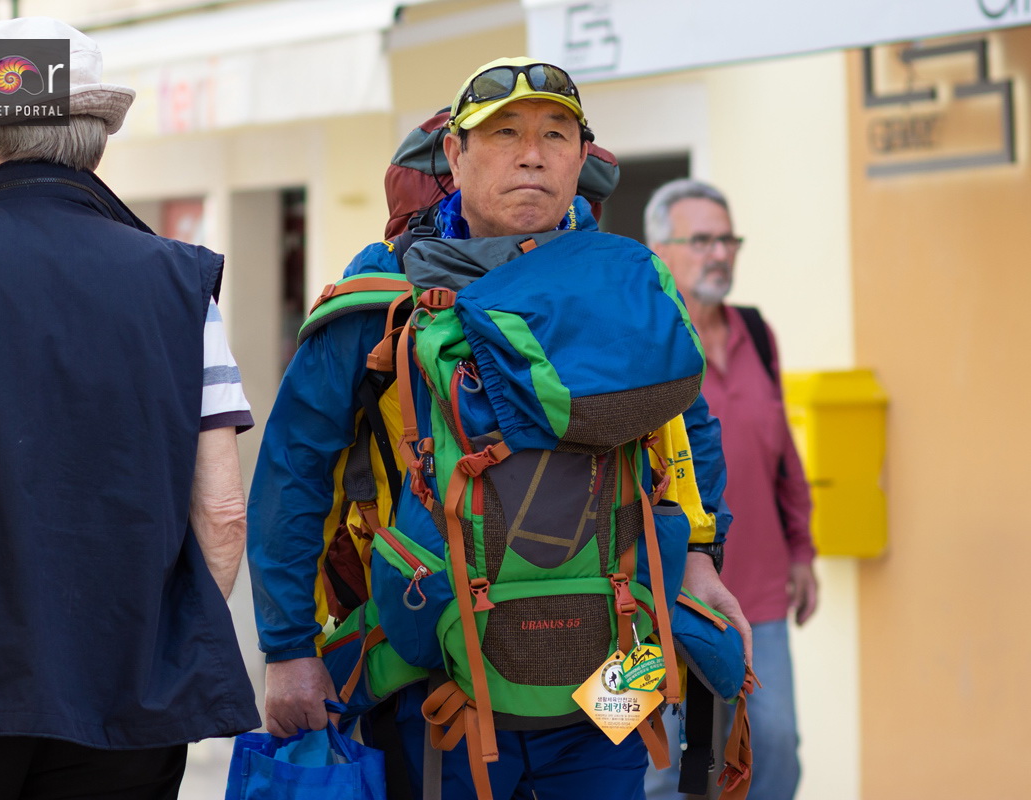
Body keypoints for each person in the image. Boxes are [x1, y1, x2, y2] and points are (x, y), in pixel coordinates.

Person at [248, 57, 749, 799]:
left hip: (615, 667)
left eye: (556, 133)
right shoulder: (380, 303)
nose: (532, 153)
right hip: (433, 679)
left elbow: (685, 427)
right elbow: (295, 469)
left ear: (581, 157)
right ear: (454, 155)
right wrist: (289, 648)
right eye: (504, 133)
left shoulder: (628, 284)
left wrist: (701, 555)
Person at [0, 18, 259, 800]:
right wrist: (153, 655)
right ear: (92, 144)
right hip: (122, 704)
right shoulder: (182, 284)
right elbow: (224, 513)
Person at [643, 179, 816, 800]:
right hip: (658, 602)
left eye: (727, 239)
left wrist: (803, 549)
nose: (720, 253)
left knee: (772, 752)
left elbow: (782, 453)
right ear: (659, 249)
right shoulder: (642, 339)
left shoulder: (756, 332)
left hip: (761, 594)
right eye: (702, 240)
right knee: (665, 767)